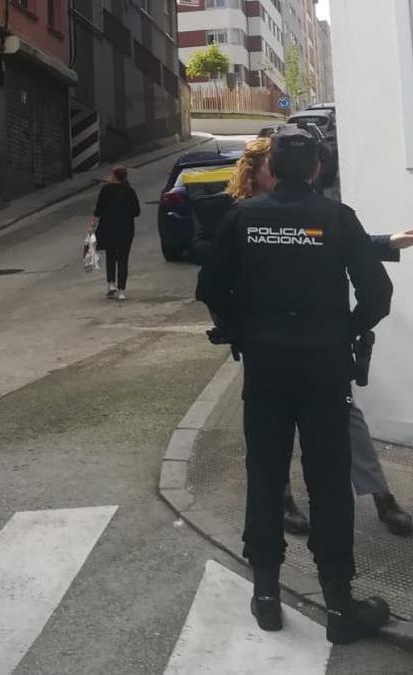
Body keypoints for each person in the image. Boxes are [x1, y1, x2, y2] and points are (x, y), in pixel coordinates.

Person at [197, 125, 394, 643]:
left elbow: (210, 287)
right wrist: (345, 331)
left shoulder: (243, 217)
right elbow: (377, 292)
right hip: (325, 366)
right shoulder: (336, 218)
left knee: (264, 473)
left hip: (265, 365)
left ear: (271, 168)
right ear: (316, 169)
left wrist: (241, 330)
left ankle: (265, 596)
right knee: (329, 481)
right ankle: (339, 605)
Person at [226, 138, 413, 538]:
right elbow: (215, 272)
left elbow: (327, 237)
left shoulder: (318, 212)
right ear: (262, 171)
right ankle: (282, 499)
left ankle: (379, 494)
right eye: (271, 162)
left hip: (320, 344)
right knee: (271, 427)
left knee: (347, 418)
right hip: (269, 342)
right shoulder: (240, 217)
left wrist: (385, 243)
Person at [89, 166, 140, 301]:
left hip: (108, 227)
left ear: (114, 176)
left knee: (111, 255)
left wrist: (92, 225)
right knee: (123, 258)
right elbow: (137, 212)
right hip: (126, 228)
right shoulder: (130, 191)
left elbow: (98, 209)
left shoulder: (106, 189)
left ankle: (111, 284)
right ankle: (122, 291)